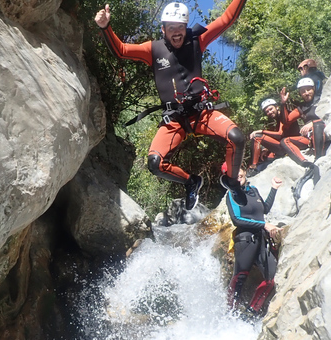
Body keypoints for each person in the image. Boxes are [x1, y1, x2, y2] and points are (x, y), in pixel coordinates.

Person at [94, 1, 247, 210]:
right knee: (155, 163)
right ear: (163, 29)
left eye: (180, 27)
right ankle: (191, 182)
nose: (177, 33)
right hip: (174, 119)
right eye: (171, 28)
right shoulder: (153, 49)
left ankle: (232, 182)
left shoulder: (197, 40)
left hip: (201, 113)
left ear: (186, 27)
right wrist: (105, 27)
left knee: (237, 138)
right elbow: (121, 50)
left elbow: (227, 19)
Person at [225, 167, 282, 316]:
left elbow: (264, 209)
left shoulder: (253, 190)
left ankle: (251, 312)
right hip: (245, 239)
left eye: (239, 171)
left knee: (272, 278)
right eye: (233, 174)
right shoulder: (231, 194)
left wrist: (274, 189)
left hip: (261, 239)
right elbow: (237, 220)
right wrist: (264, 225)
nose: (238, 175)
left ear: (244, 171)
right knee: (240, 278)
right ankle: (229, 314)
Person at [279, 77, 327, 208]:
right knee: (285, 141)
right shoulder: (302, 107)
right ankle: (305, 162)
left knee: (317, 125)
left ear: (313, 89)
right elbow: (287, 120)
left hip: (324, 131)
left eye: (308, 90)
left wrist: (313, 123)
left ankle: (318, 159)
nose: (306, 93)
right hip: (310, 138)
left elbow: (330, 113)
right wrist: (283, 103)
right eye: (303, 91)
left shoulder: (323, 98)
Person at [247, 94, 300, 175]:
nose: (270, 112)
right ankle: (257, 166)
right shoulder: (278, 119)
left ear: (277, 107)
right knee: (266, 157)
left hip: (290, 145)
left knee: (257, 137)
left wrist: (261, 131)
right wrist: (267, 149)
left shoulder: (284, 115)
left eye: (271, 109)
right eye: (267, 111)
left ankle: (253, 167)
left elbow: (279, 134)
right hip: (285, 144)